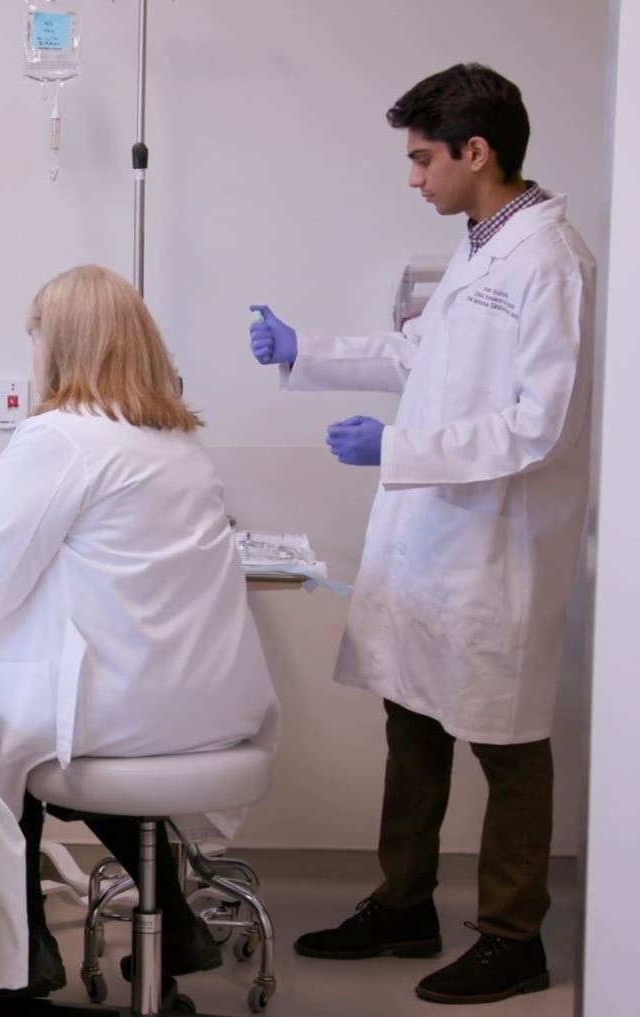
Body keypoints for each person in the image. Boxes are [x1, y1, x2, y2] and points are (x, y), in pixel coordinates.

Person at [247, 64, 595, 1006]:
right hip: (434, 538)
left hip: (495, 548)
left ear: (474, 152)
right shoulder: (481, 251)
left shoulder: (549, 261)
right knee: (411, 718)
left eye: (421, 159)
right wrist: (308, 351)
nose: (413, 178)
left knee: (507, 745)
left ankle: (513, 938)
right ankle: (403, 905)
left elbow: (540, 424)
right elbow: (420, 357)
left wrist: (396, 447)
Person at [0, 265, 278, 1001]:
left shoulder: (57, 439)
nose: (32, 354)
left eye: (35, 338)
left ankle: (22, 975)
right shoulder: (177, 441)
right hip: (210, 706)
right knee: (35, 735)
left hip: (121, 712)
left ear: (60, 345)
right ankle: (175, 922)